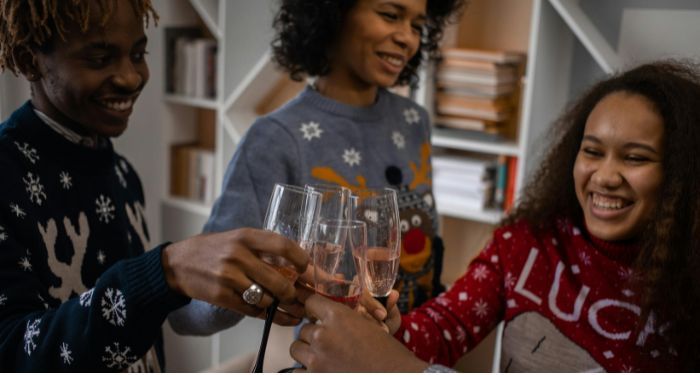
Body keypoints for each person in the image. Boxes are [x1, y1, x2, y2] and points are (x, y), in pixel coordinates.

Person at [289, 60, 700, 372]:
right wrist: (390, 330)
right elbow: (445, 327)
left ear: (683, 170)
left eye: (635, 158)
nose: (605, 176)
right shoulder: (527, 243)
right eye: (592, 151)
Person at [0, 0, 309, 371]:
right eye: (99, 59)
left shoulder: (121, 173)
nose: (131, 77)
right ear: (28, 59)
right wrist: (163, 272)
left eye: (138, 54)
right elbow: (12, 352)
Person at [171, 0, 467, 335]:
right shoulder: (275, 139)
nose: (407, 38)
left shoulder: (414, 121)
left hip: (419, 351)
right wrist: (264, 285)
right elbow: (194, 310)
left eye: (417, 25)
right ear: (333, 12)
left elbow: (426, 259)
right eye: (390, 15)